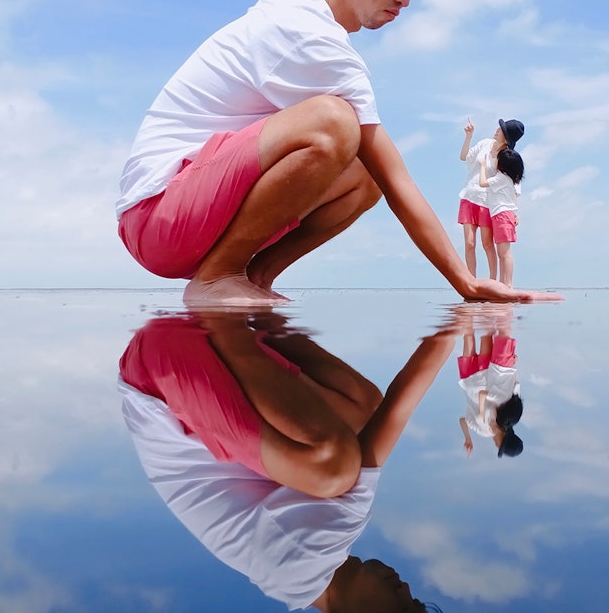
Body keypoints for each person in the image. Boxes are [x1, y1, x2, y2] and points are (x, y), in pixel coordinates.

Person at [115, 0, 558, 306]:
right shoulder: (303, 29)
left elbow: (384, 175)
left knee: (363, 170)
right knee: (335, 123)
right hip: (157, 214)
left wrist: (466, 280)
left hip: (179, 217)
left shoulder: (310, 24)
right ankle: (218, 276)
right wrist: (466, 281)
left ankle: (254, 277)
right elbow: (398, 178)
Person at [119, 307, 460, 611]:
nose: (405, 589)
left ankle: (226, 324)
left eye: (400, 610)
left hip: (164, 376)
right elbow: (384, 417)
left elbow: (396, 413)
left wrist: (456, 326)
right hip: (158, 369)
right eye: (416, 602)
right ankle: (263, 315)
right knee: (362, 416)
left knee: (333, 469)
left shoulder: (308, 560)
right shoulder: (295, 581)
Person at [457, 118, 524, 279]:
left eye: (501, 130)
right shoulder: (485, 144)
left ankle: (492, 280)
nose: (497, 130)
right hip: (469, 196)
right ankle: (471, 281)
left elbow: (513, 186)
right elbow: (464, 157)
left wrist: (514, 211)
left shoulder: (506, 156)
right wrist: (469, 136)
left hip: (488, 203)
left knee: (487, 244)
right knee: (469, 243)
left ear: (506, 137)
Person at [456, 304, 523, 458]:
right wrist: (481, 412)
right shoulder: (505, 416)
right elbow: (510, 389)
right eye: (500, 445)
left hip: (468, 379)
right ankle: (484, 302)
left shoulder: (483, 431)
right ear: (505, 439)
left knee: (468, 336)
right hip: (485, 373)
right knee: (487, 334)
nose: (496, 445)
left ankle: (468, 304)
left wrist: (468, 438)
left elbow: (463, 420)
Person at [477, 146, 524, 287]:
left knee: (504, 253)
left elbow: (482, 183)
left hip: (502, 215)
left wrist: (483, 166)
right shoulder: (506, 178)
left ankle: (507, 284)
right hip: (501, 215)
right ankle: (504, 284)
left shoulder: (501, 178)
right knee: (502, 253)